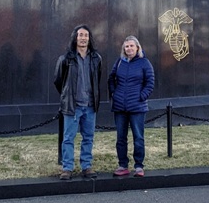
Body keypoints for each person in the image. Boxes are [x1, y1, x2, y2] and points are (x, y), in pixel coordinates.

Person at [53, 25, 102, 180]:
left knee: (88, 137)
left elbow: (97, 79)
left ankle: (86, 166)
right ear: (75, 37)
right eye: (80, 35)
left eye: (86, 35)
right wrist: (68, 95)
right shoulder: (65, 59)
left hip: (90, 106)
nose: (83, 38)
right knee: (68, 138)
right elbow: (58, 81)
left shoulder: (96, 59)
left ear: (89, 38)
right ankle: (67, 168)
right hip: (72, 107)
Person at [108, 35, 155, 178]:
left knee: (138, 137)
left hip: (138, 107)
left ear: (137, 47)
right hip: (120, 107)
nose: (129, 48)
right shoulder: (119, 62)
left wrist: (141, 96)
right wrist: (114, 94)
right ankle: (123, 165)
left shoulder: (144, 63)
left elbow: (150, 82)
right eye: (126, 46)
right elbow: (111, 78)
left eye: (131, 46)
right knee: (121, 138)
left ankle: (139, 166)